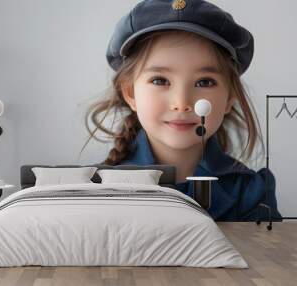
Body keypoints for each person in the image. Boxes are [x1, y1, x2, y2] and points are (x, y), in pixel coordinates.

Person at [80, 0, 282, 221]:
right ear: (130, 93)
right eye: (160, 80)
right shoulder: (95, 189)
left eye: (204, 82)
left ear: (229, 98)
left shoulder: (251, 193)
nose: (182, 102)